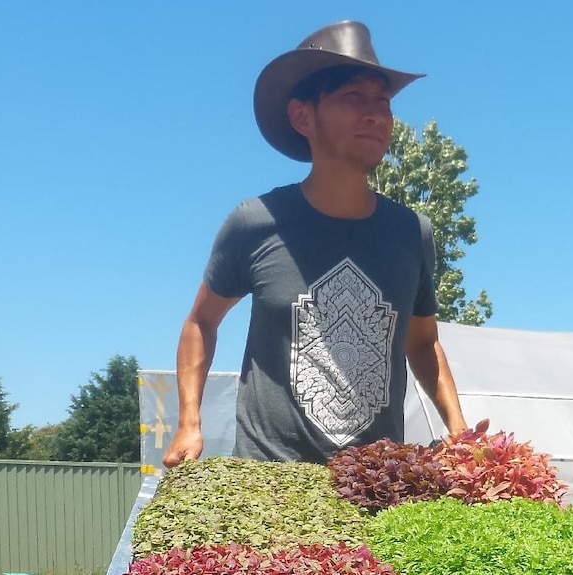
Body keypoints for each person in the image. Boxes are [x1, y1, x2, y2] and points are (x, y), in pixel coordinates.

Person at [162, 20, 468, 467]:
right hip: (271, 486)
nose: (375, 114)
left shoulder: (411, 233)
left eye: (382, 101)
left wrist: (458, 430)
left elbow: (422, 343)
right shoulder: (257, 223)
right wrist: (189, 421)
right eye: (353, 97)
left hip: (374, 489)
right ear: (302, 116)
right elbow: (200, 323)